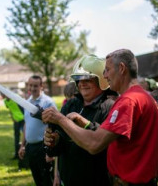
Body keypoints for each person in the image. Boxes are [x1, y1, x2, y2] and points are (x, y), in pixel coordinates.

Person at [42, 49, 158, 185]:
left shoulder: (127, 101)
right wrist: (143, 157)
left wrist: (60, 119)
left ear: (122, 68)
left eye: (107, 70)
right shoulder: (147, 98)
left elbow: (94, 144)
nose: (105, 75)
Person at [46, 54, 118, 186]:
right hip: (68, 180)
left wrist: (85, 124)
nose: (81, 83)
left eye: (87, 79)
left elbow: (106, 144)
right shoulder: (70, 104)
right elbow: (59, 142)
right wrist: (53, 142)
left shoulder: (111, 107)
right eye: (78, 79)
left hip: (96, 180)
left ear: (101, 81)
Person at [18, 75, 56, 186]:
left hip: (43, 147)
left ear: (41, 86)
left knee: (46, 180)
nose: (33, 88)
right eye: (30, 85)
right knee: (37, 179)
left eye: (35, 86)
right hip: (30, 147)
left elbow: (56, 125)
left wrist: (50, 149)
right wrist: (23, 145)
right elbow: (26, 124)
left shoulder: (48, 102)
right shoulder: (27, 102)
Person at [1, 92, 24, 160]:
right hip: (16, 121)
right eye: (1, 94)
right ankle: (16, 154)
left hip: (23, 119)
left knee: (25, 137)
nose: (2, 95)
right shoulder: (5, 101)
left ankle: (25, 153)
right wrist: (12, 118)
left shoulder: (14, 98)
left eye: (3, 93)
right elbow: (10, 109)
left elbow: (22, 108)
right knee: (16, 137)